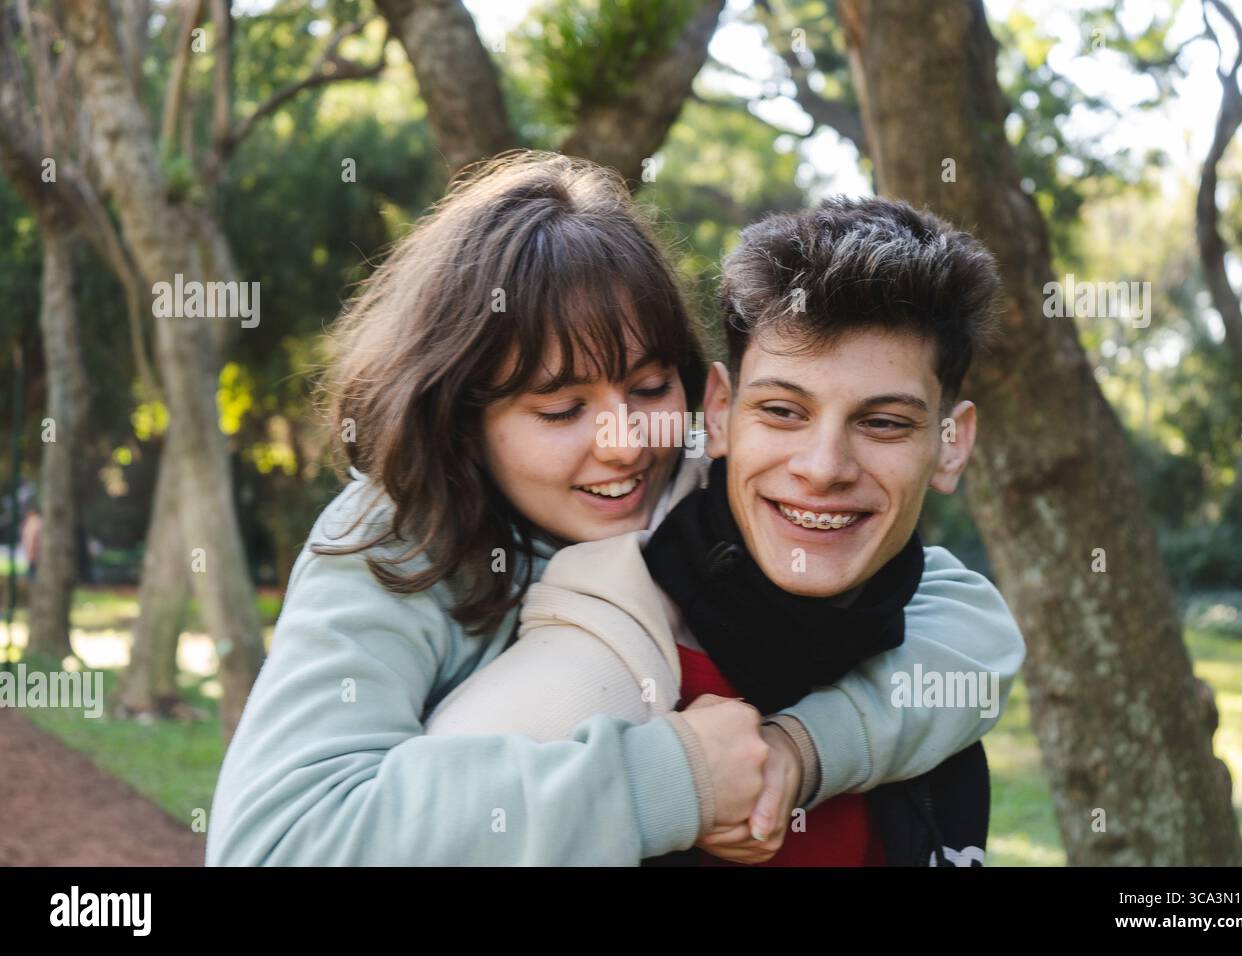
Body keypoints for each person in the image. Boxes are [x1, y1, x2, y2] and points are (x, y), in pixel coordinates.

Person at [206, 152, 1023, 866]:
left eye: (646, 387)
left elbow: (967, 626)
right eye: (560, 410)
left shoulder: (713, 464)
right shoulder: (391, 538)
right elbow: (280, 843)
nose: (627, 443)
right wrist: (666, 781)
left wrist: (800, 752)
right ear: (462, 414)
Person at [425, 196, 1022, 866]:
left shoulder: (935, 636)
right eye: (782, 410)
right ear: (718, 413)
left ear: (951, 445)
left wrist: (798, 750)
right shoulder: (589, 672)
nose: (823, 469)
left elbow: (985, 636)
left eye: (883, 422)